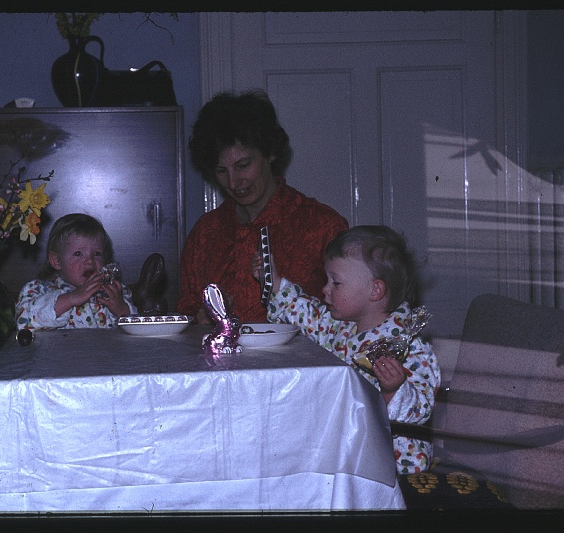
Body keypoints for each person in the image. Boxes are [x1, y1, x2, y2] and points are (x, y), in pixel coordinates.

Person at [253, 225, 440, 474]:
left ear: (375, 290)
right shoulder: (337, 327)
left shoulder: (410, 348)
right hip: (345, 451)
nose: (325, 289)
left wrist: (395, 390)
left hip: (394, 464)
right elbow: (305, 313)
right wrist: (275, 282)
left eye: (336, 282)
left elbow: (421, 409)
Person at [176, 89, 348, 324]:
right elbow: (186, 310)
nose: (234, 183)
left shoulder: (323, 227)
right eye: (221, 171)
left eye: (243, 165)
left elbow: (351, 318)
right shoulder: (205, 234)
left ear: (271, 153)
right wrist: (197, 321)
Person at [16, 213, 136, 331]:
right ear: (56, 261)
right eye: (78, 254)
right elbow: (24, 321)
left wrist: (121, 309)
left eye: (97, 254)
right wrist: (71, 298)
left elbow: (137, 328)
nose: (90, 261)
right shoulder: (38, 289)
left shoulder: (113, 292)